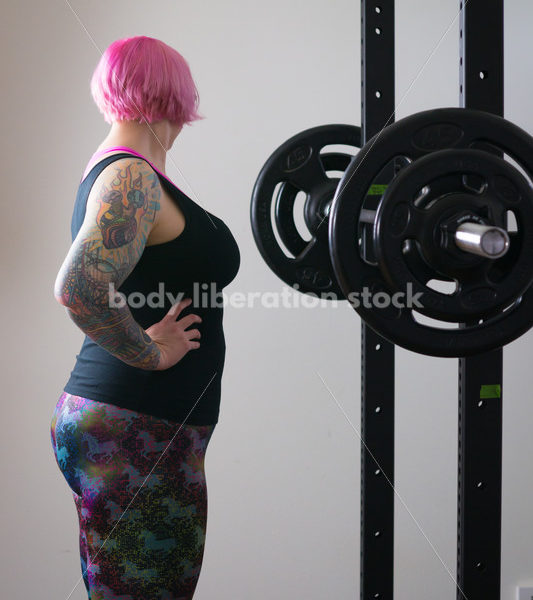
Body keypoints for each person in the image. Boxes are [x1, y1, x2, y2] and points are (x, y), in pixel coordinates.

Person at [51, 35, 240, 600]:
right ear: (175, 95)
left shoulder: (124, 171)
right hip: (137, 430)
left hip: (134, 428)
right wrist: (153, 352)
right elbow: (79, 288)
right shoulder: (131, 177)